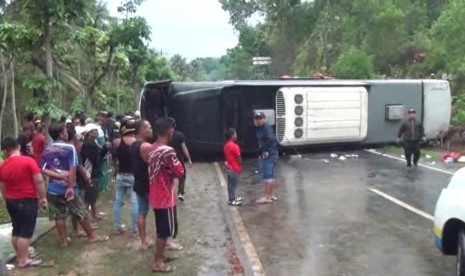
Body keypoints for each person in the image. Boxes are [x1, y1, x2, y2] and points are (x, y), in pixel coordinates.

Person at [40, 121, 107, 247]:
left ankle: (63, 241)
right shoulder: (70, 148)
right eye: (65, 131)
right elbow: (73, 168)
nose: (67, 133)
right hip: (69, 187)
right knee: (80, 211)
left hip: (54, 188)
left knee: (58, 215)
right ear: (60, 134)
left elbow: (43, 169)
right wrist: (70, 186)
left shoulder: (47, 149)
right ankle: (92, 236)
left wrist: (58, 175)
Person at [0, 137, 47, 268]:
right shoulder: (28, 161)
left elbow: (2, 186)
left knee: (17, 229)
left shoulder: (3, 165)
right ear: (18, 146)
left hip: (11, 200)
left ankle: (20, 255)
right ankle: (24, 260)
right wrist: (43, 197)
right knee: (25, 232)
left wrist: (6, 199)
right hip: (26, 199)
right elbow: (39, 181)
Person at [149, 118, 185, 272]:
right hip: (165, 196)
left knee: (161, 229)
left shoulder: (153, 148)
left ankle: (160, 256)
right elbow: (180, 171)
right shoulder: (167, 151)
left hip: (156, 195)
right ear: (170, 132)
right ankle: (157, 262)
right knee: (165, 231)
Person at [112, 117, 138, 236]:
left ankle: (117, 228)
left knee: (118, 201)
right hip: (133, 175)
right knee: (134, 202)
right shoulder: (138, 142)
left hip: (121, 175)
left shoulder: (117, 142)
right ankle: (134, 229)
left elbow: (115, 157)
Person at [131, 119, 153, 249]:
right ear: (141, 130)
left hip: (138, 182)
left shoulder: (134, 145)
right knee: (160, 213)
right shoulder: (146, 146)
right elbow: (154, 166)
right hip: (148, 184)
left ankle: (143, 242)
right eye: (148, 127)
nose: (151, 129)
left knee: (142, 212)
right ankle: (164, 241)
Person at [81, 123, 109, 221]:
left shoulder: (93, 142)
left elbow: (99, 156)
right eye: (94, 130)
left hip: (93, 171)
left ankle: (94, 214)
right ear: (89, 133)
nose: (97, 132)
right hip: (90, 172)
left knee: (93, 195)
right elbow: (95, 158)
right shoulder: (88, 144)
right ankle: (85, 219)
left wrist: (105, 149)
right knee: (88, 197)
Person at [253, 112, 279, 204]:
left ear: (264, 118)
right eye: (257, 118)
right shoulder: (263, 128)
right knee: (271, 175)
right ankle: (271, 195)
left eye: (260, 118)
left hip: (269, 155)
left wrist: (265, 150)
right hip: (273, 153)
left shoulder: (265, 128)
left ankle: (267, 197)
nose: (258, 120)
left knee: (267, 176)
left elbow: (271, 139)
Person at [167, 118, 192, 201]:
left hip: (167, 159)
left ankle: (170, 193)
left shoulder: (164, 136)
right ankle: (180, 193)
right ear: (175, 125)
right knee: (182, 175)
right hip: (178, 159)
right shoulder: (179, 135)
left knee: (168, 176)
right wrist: (189, 159)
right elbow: (184, 148)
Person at [223, 128, 242, 206]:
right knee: (233, 185)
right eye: (235, 134)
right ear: (232, 136)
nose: (236, 135)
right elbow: (238, 157)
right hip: (234, 168)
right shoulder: (235, 146)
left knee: (230, 185)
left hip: (229, 167)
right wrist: (240, 165)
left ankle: (232, 197)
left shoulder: (226, 145)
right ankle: (232, 200)